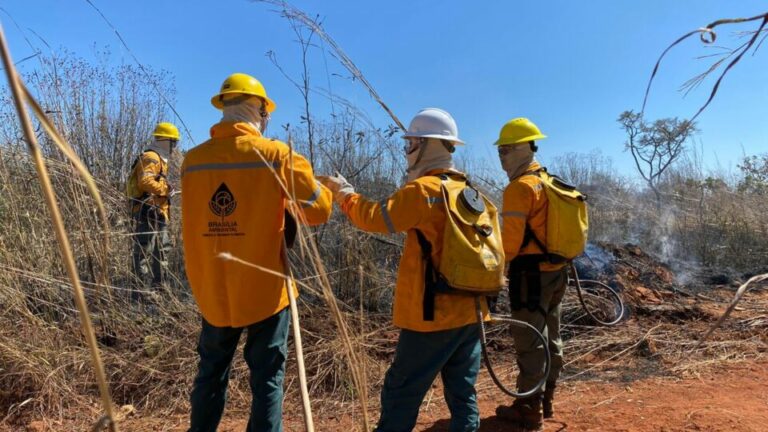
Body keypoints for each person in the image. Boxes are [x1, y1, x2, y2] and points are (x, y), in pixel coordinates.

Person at [319, 108, 491, 432]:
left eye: (410, 143)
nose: (407, 150)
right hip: (472, 311)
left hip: (431, 317)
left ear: (424, 145)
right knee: (462, 392)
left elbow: (373, 217)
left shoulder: (423, 192)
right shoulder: (473, 194)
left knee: (401, 391)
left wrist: (344, 193)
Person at [181, 73, 332, 432]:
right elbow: (319, 212)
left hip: (212, 288)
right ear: (261, 111)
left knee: (210, 374)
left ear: (224, 108)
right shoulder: (277, 155)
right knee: (266, 380)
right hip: (266, 290)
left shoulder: (192, 161)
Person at [493, 118, 567, 430]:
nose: (502, 157)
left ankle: (528, 407)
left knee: (531, 339)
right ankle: (546, 399)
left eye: (506, 150)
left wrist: (492, 273)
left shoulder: (520, 189)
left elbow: (509, 245)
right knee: (552, 335)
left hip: (530, 276)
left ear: (523, 148)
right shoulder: (550, 181)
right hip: (557, 272)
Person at [130, 122, 178, 299]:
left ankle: (160, 289)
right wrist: (165, 190)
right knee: (144, 250)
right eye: (174, 142)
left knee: (162, 249)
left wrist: (165, 187)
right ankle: (139, 292)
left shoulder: (158, 158)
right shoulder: (152, 157)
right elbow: (145, 182)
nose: (175, 146)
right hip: (148, 211)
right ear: (166, 141)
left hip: (157, 211)